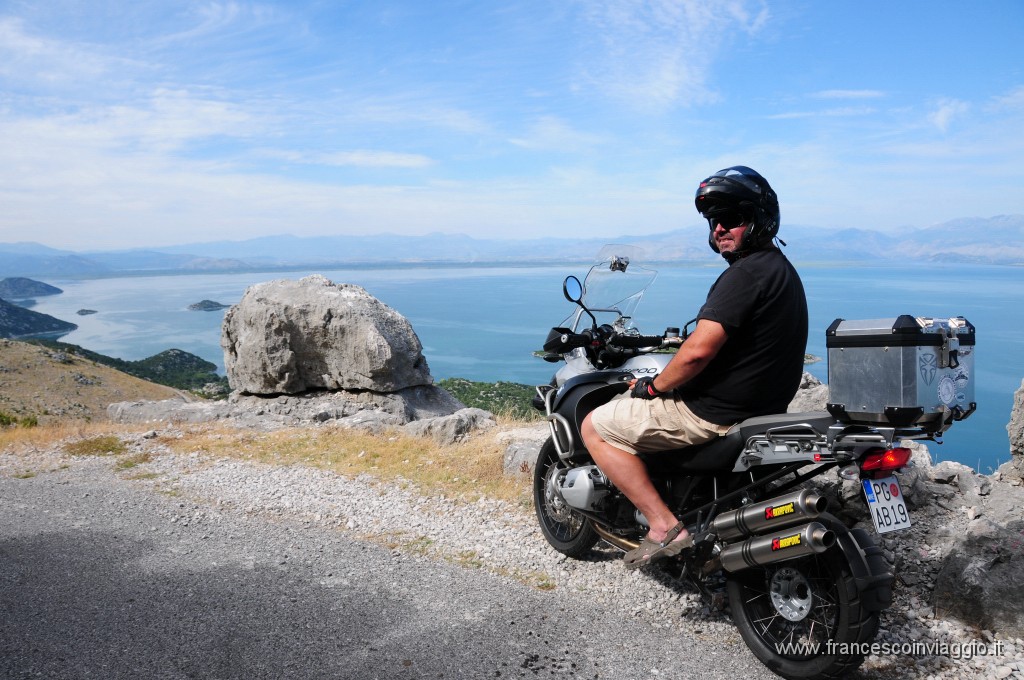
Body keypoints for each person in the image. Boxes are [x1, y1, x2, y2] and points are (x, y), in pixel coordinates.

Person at [580, 166, 808, 569]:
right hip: (759, 409)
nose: (720, 228)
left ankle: (663, 525)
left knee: (595, 426)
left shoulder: (746, 274)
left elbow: (697, 353)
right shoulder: (781, 272)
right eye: (713, 221)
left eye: (732, 219)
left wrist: (654, 386)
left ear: (759, 220)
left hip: (712, 413)